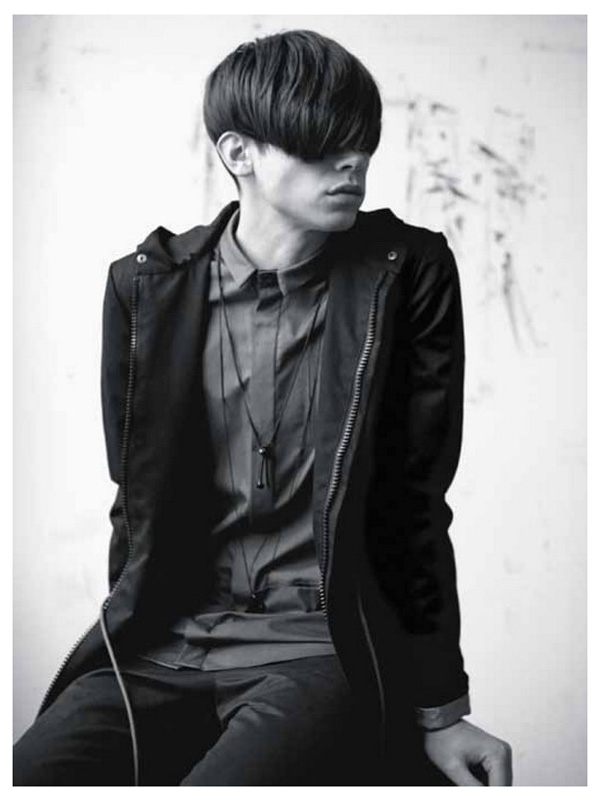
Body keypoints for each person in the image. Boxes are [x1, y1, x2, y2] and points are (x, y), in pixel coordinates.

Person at [13, 29, 513, 786]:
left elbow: (413, 505)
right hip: (164, 645)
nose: (353, 163)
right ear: (238, 152)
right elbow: (137, 500)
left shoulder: (404, 273)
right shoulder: (146, 287)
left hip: (318, 645)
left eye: (362, 142)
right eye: (322, 145)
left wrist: (439, 707)